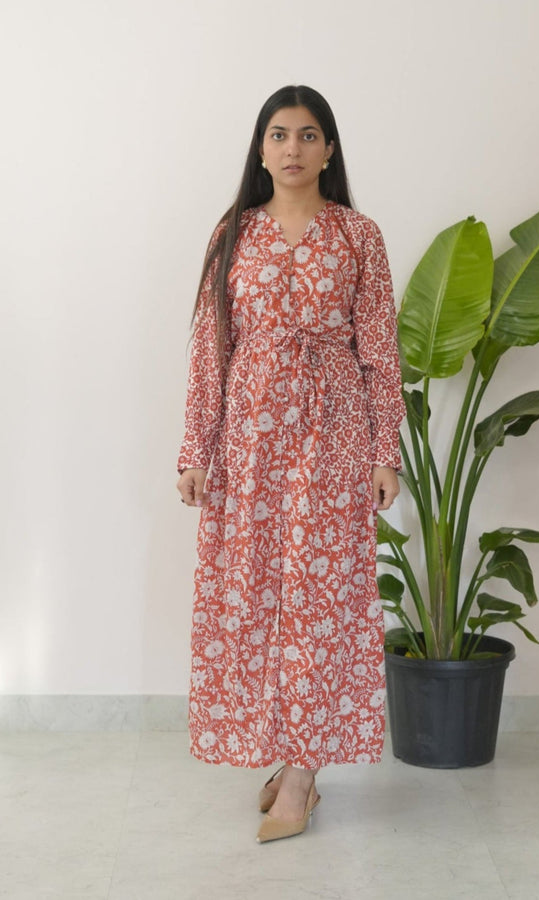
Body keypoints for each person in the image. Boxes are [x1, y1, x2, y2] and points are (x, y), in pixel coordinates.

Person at [177, 85, 405, 844]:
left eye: (309, 136)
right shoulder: (233, 235)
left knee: (318, 600)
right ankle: (282, 752)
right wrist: (196, 451)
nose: (294, 149)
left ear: (330, 150)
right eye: (279, 135)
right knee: (259, 596)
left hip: (334, 436)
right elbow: (211, 351)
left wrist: (385, 453)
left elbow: (380, 352)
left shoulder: (358, 236)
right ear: (262, 148)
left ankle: (302, 777)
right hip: (249, 442)